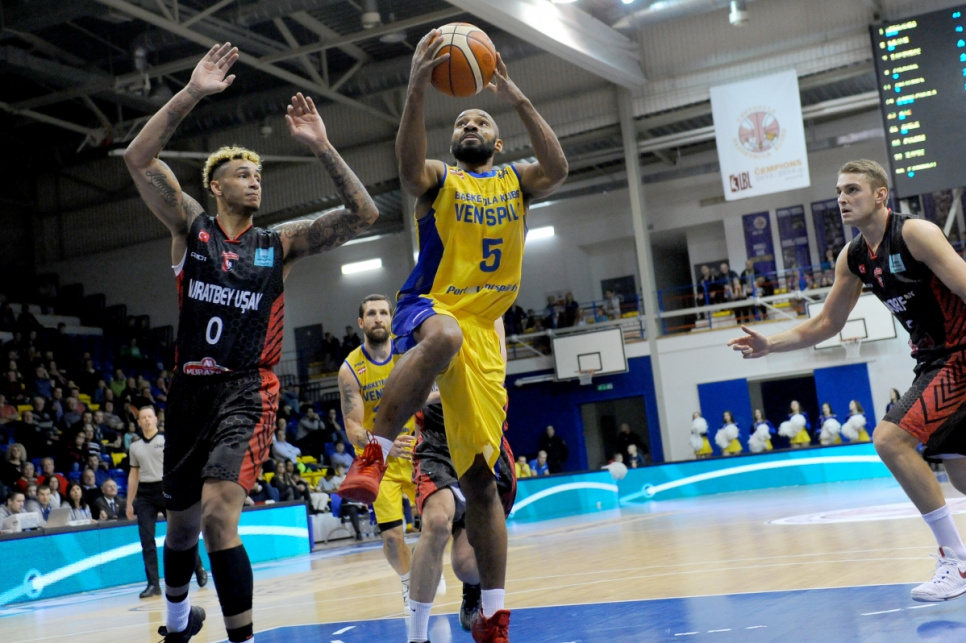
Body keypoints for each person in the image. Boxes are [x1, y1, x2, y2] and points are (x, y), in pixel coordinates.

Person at [122, 42, 378, 643]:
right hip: (189, 392)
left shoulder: (277, 245)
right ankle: (180, 623)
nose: (255, 180)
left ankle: (243, 637)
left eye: (259, 175)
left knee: (218, 516)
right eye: (243, 173)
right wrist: (192, 92)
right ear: (215, 186)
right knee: (181, 528)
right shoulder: (190, 227)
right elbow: (137, 157)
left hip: (247, 390)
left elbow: (364, 214)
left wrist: (322, 146)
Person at [339, 30, 566, 641]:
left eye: (480, 121)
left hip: (485, 333)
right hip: (432, 305)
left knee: (483, 485)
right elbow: (408, 169)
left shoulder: (517, 181)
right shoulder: (442, 179)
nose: (469, 124)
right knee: (442, 338)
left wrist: (516, 95)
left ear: (497, 140)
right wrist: (416, 84)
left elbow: (557, 167)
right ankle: (373, 455)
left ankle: (493, 615)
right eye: (462, 120)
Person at [728, 158, 966, 603]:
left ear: (880, 195)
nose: (842, 198)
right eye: (839, 191)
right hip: (931, 360)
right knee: (961, 475)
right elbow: (826, 324)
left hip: (960, 356)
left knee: (890, 440)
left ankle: (956, 560)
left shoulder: (915, 233)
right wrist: (770, 344)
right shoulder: (854, 257)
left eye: (852, 189)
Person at [408, 396, 517, 641]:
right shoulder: (417, 367)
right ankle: (416, 637)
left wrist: (434, 391)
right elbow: (409, 398)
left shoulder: (486, 366)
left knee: (466, 566)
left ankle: (475, 589)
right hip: (436, 443)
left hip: (481, 440)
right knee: (436, 523)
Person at [338, 294, 418, 609]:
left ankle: (424, 564)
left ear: (391, 318)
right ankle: (408, 582)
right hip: (377, 459)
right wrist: (383, 444)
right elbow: (352, 428)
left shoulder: (408, 353)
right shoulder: (351, 369)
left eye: (384, 312)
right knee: (393, 539)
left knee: (441, 522)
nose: (378, 318)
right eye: (371, 313)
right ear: (361, 322)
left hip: (416, 452)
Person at [127, 405, 207, 599]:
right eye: (143, 417)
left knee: (182, 533)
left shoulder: (165, 440)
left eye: (150, 416)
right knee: (146, 539)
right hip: (145, 494)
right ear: (139, 422)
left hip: (166, 488)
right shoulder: (135, 446)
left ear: (156, 419)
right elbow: (133, 475)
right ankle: (153, 585)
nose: (147, 420)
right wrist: (129, 503)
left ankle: (198, 568)